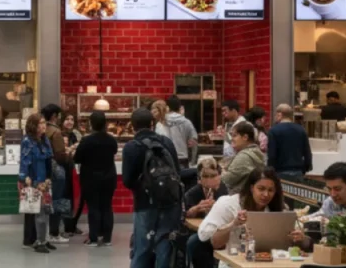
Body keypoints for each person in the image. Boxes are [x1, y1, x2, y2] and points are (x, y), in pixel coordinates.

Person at [196, 169, 300, 268]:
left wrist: (301, 239)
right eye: (261, 189)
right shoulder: (229, 204)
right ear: (251, 188)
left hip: (269, 263)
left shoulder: (279, 209)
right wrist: (234, 224)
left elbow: (296, 240)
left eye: (270, 190)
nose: (266, 194)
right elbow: (212, 240)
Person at [122, 107, 179, 268]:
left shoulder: (132, 147)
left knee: (142, 248)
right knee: (164, 247)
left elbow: (127, 180)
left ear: (132, 126)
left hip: (144, 203)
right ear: (152, 123)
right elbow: (177, 171)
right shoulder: (166, 142)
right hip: (169, 202)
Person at [73, 110, 118, 246]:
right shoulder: (111, 140)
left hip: (90, 178)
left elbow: (76, 159)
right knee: (107, 206)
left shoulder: (87, 140)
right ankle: (107, 238)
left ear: (91, 124)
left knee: (93, 207)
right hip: (109, 177)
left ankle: (93, 238)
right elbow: (115, 151)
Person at [19, 113, 54, 254]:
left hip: (44, 179)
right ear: (33, 126)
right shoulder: (27, 141)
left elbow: (49, 160)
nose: (44, 125)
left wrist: (49, 178)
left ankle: (43, 239)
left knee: (46, 210)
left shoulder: (45, 140)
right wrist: (26, 179)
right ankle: (37, 241)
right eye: (40, 123)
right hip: (33, 180)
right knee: (37, 212)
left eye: (44, 122)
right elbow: (25, 161)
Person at [185, 158, 229, 266]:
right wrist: (195, 209)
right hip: (200, 232)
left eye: (213, 176)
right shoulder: (193, 193)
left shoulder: (224, 190)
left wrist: (218, 206)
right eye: (205, 176)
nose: (209, 180)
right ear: (199, 178)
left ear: (219, 176)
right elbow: (185, 214)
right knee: (194, 242)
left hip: (221, 231)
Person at [41, 103, 72, 243]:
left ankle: (44, 232)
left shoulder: (40, 129)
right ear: (54, 116)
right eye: (59, 116)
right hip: (56, 170)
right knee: (57, 200)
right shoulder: (56, 132)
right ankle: (54, 232)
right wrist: (69, 153)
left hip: (43, 169)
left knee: (45, 201)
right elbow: (60, 155)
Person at [266, 104, 312, 181]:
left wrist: (270, 171)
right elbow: (307, 152)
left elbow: (272, 154)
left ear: (279, 114)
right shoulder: (301, 130)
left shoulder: (273, 131)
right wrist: (306, 168)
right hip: (298, 171)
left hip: (280, 171)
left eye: (276, 115)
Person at [220, 122, 265, 194]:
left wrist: (222, 171)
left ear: (245, 137)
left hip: (239, 199)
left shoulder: (243, 156)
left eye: (234, 136)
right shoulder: (255, 152)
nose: (232, 139)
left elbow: (226, 180)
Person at [158, 96, 198, 168]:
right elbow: (194, 143)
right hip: (182, 159)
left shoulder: (161, 122)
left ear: (167, 107)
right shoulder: (187, 122)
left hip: (165, 159)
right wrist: (192, 162)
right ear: (179, 107)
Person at [61, 112, 84, 235]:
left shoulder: (76, 134)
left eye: (71, 119)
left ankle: (72, 224)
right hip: (63, 170)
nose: (69, 121)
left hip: (74, 169)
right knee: (65, 198)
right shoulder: (59, 134)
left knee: (75, 198)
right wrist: (72, 148)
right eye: (67, 119)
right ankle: (67, 226)